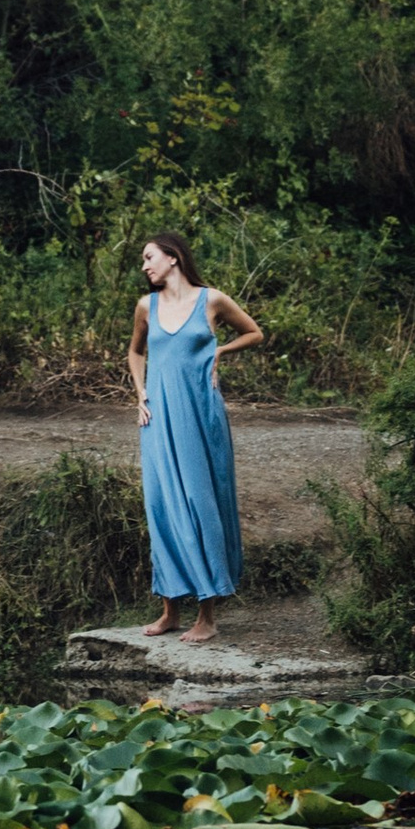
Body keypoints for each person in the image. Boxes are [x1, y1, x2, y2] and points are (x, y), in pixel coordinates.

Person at [129, 231, 267, 643]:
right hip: (157, 418)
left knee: (201, 502)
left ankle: (206, 614)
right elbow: (135, 352)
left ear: (173, 258)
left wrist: (220, 352)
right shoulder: (145, 307)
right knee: (161, 505)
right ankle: (170, 609)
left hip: (200, 414)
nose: (144, 265)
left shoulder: (212, 300)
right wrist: (140, 392)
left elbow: (254, 332)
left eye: (149, 257)